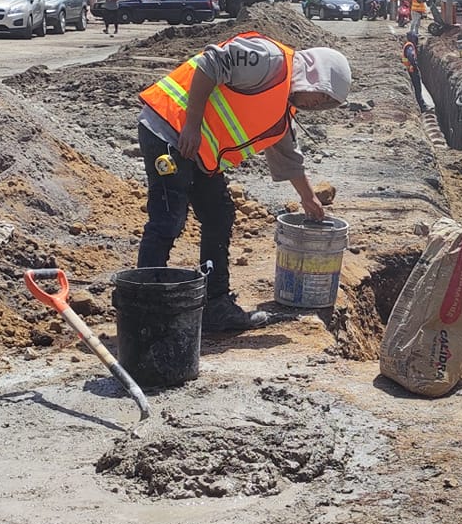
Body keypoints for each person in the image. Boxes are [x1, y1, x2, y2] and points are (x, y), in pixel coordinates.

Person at [136, 32, 351, 333]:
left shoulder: (281, 111)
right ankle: (144, 307)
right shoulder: (270, 61)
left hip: (197, 152)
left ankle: (215, 304)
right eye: (323, 95)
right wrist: (193, 124)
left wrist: (308, 197)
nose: (318, 104)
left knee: (219, 214)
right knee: (168, 218)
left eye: (326, 103)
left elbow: (287, 155)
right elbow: (211, 63)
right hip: (169, 129)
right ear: (316, 75)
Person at [401, 28, 427, 111]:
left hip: (409, 70)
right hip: (412, 71)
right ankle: (422, 107)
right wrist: (414, 65)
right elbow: (410, 56)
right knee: (417, 88)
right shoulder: (410, 46)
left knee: (417, 88)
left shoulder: (408, 44)